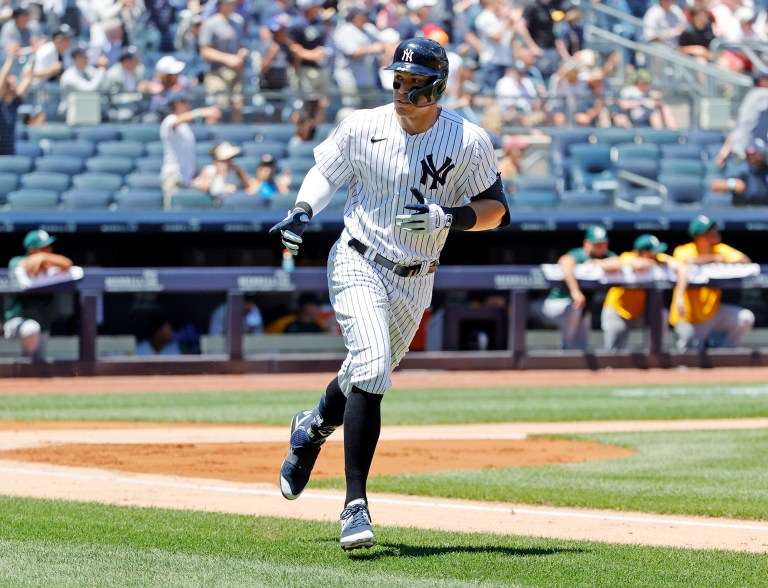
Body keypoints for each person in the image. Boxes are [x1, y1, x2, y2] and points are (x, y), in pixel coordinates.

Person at [267, 37, 509, 551]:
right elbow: (325, 172)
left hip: (417, 275)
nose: (402, 91)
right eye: (397, 80)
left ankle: (311, 428)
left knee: (363, 372)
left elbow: (496, 211)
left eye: (414, 83)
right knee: (373, 367)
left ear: (437, 87)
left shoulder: (468, 141)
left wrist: (451, 217)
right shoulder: (362, 124)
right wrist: (302, 210)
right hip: (357, 257)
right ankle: (355, 504)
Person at [670, 215, 755, 351]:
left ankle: (725, 354)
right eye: (710, 232)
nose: (715, 234)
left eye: (714, 230)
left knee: (745, 318)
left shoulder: (720, 249)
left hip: (712, 313)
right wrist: (713, 258)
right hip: (688, 317)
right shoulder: (684, 250)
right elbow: (685, 262)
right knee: (688, 359)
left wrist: (721, 258)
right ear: (699, 236)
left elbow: (745, 261)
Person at [531, 225, 620, 351]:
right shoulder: (578, 254)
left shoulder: (606, 256)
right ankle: (566, 350)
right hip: (557, 303)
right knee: (575, 308)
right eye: (597, 244)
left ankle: (574, 359)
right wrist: (575, 291)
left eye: (603, 243)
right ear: (587, 244)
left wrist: (595, 263)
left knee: (581, 340)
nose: (601, 247)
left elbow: (617, 263)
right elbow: (565, 262)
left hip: (583, 309)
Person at [601, 234, 687, 351]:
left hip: (640, 311)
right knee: (612, 351)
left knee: (662, 314)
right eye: (653, 251)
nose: (657, 254)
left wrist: (679, 297)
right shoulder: (628, 256)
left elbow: (682, 268)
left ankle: (655, 355)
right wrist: (656, 264)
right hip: (618, 310)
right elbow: (638, 265)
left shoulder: (659, 258)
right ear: (643, 252)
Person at [4, 230, 73, 363]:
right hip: (17, 325)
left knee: (40, 365)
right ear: (32, 250)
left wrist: (44, 258)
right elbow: (21, 265)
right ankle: (23, 364)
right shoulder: (17, 261)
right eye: (44, 248)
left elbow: (67, 263)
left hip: (43, 328)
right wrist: (39, 259)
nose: (49, 250)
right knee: (31, 329)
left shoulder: (50, 265)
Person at [159, 92, 221, 208]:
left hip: (186, 179)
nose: (189, 105)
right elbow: (176, 122)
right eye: (186, 102)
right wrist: (201, 112)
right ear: (178, 104)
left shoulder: (185, 127)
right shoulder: (169, 120)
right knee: (173, 217)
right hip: (173, 178)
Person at [199, 0, 249, 123]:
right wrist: (228, 59)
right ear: (221, 4)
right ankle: (212, 140)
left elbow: (243, 44)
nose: (232, 5)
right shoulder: (210, 23)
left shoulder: (238, 22)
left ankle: (237, 138)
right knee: (217, 109)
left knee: (238, 106)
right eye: (229, 3)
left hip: (236, 72)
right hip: (217, 73)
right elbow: (205, 51)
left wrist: (242, 52)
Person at [709, 138, 768, 206]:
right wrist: (733, 183)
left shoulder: (765, 169)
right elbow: (714, 185)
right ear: (750, 153)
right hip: (744, 212)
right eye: (759, 153)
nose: (761, 156)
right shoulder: (743, 169)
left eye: (763, 153)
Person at [0, 42, 34, 155]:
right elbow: (2, 79)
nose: (16, 84)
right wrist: (11, 58)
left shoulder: (15, 103)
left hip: (9, 150)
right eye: (12, 82)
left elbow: (28, 79)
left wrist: (34, 55)